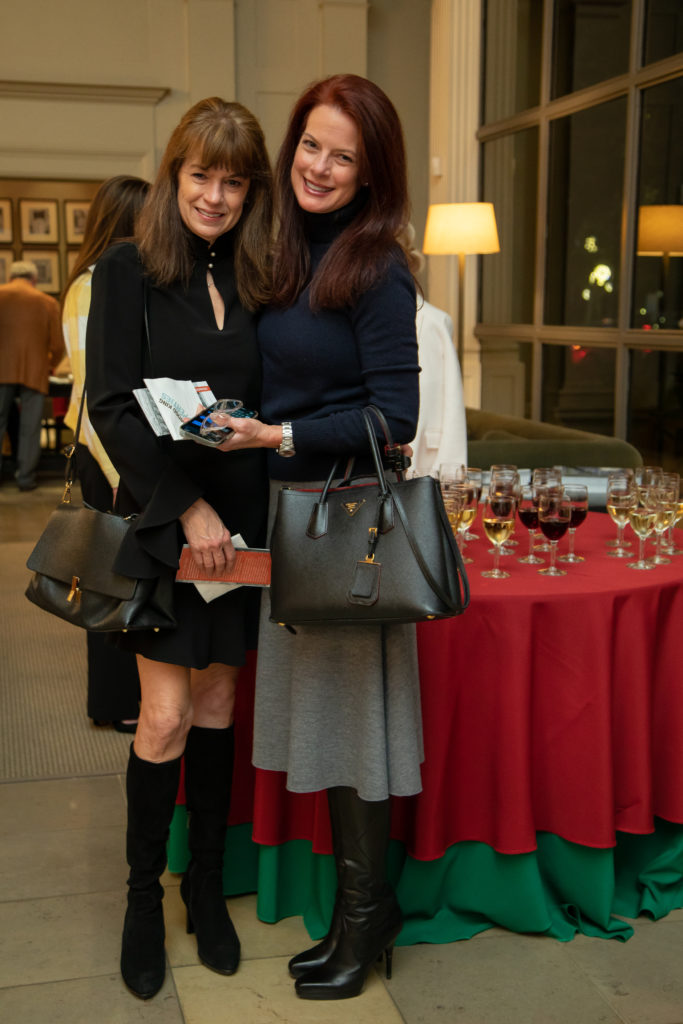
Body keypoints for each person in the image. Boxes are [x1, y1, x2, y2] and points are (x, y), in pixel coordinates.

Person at [217, 74, 422, 1000]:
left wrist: (282, 435)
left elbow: (397, 418)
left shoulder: (378, 266)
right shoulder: (279, 247)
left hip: (347, 528)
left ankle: (366, 919)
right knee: (331, 733)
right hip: (289, 520)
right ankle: (358, 915)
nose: (321, 167)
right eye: (311, 144)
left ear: (372, 173)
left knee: (354, 735)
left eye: (344, 155)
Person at [85, 98, 272, 1000]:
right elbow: (111, 405)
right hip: (169, 521)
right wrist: (187, 506)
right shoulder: (129, 266)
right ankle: (139, 898)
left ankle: (204, 885)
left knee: (219, 700)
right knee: (161, 716)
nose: (216, 195)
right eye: (202, 174)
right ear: (174, 173)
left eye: (234, 180)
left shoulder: (257, 273)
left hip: (244, 531)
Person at [62, 175, 150, 734]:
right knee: (111, 584)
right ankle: (117, 702)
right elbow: (98, 390)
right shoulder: (95, 286)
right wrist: (123, 471)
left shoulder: (97, 282)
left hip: (109, 453)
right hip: (106, 456)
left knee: (113, 579)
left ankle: (119, 698)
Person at [0, 260, 64, 490]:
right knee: (30, 425)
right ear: (34, 280)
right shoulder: (46, 302)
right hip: (35, 369)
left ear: (11, 278)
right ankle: (25, 478)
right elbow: (58, 344)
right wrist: (48, 364)